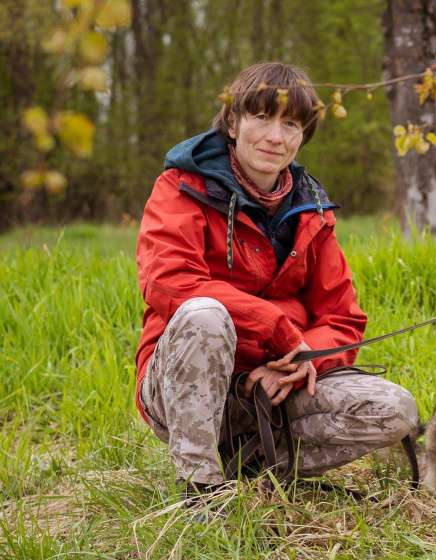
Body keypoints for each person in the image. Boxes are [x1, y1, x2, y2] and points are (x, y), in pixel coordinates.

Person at [134, 62, 418, 495]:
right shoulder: (180, 186)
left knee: (395, 409)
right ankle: (200, 487)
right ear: (232, 121)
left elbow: (342, 319)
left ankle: (254, 468)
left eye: (290, 124)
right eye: (262, 118)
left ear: (303, 135)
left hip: (278, 389)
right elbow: (169, 281)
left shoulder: (313, 211)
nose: (275, 137)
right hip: (183, 383)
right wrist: (277, 328)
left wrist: (299, 362)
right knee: (204, 314)